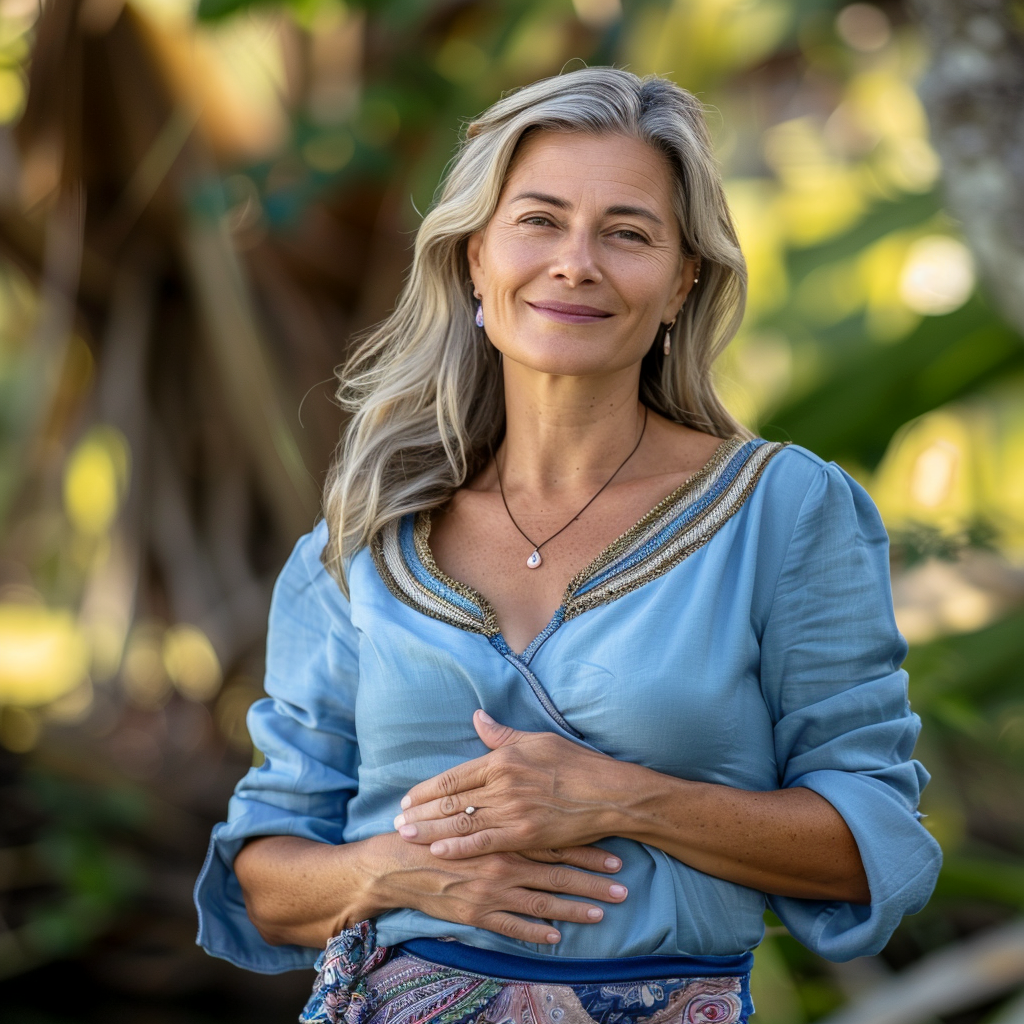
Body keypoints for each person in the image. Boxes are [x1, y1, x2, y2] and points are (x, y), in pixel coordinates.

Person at [193, 68, 941, 1024]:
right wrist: (403, 873)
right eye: (539, 220)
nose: (575, 262)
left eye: (627, 233)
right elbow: (265, 876)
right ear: (473, 259)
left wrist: (622, 798)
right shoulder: (365, 542)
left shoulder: (783, 512)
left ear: (682, 283)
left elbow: (876, 842)